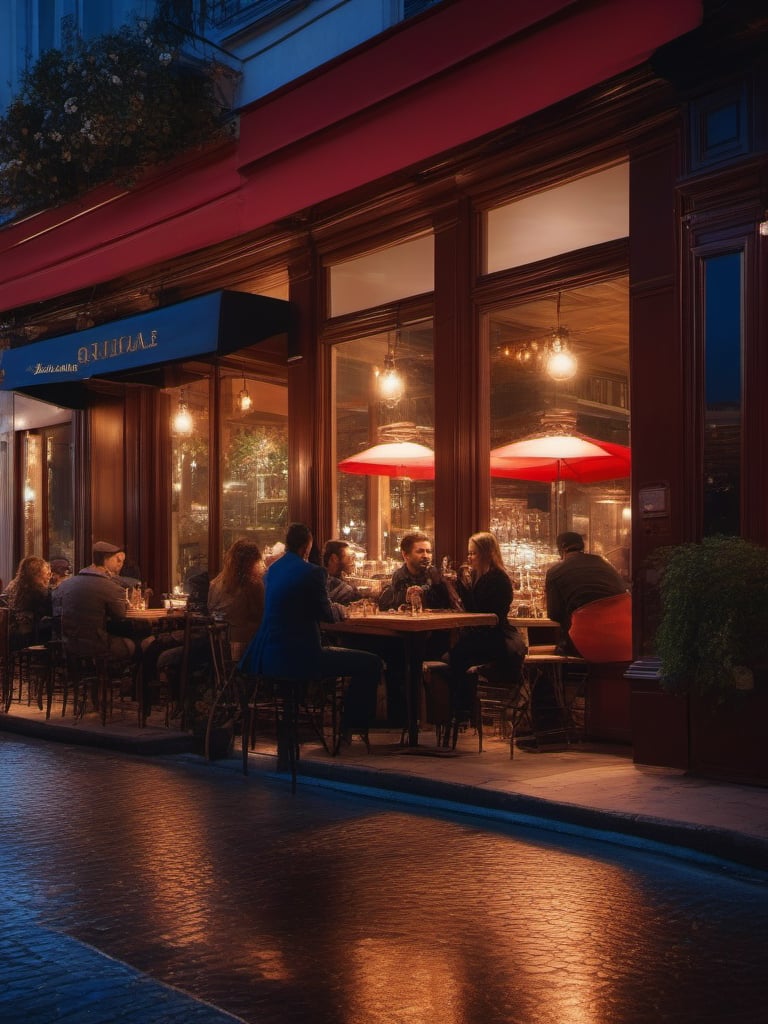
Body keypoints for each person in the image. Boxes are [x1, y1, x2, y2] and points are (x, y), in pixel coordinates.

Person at [240, 523, 382, 743]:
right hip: (300, 658)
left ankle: (338, 731)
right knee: (371, 663)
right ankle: (351, 728)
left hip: (264, 657)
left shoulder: (272, 571)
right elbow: (326, 613)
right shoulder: (313, 572)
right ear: (307, 546)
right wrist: (342, 609)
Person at [445, 532, 526, 720]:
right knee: (450, 657)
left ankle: (461, 712)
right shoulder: (479, 577)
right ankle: (461, 711)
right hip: (484, 636)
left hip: (495, 639)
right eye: (469, 553)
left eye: (473, 553)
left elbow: (485, 614)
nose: (469, 558)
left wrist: (459, 588)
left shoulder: (497, 579)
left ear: (487, 553)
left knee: (452, 658)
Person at [545, 531, 628, 655]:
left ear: (561, 548)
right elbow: (623, 591)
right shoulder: (605, 563)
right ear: (582, 546)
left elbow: (554, 613)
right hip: (625, 637)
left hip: (586, 642)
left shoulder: (554, 572)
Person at [55, 542, 136, 663]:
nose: (120, 564)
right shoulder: (111, 587)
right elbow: (121, 615)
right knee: (132, 644)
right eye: (117, 559)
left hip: (68, 645)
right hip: (97, 647)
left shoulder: (66, 585)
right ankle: (124, 680)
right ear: (107, 560)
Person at [207, 538, 266, 662]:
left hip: (217, 647)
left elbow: (212, 612)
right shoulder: (252, 585)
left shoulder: (216, 583)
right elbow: (262, 615)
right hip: (246, 648)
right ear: (253, 562)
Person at [378, 531, 461, 612]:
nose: (425, 556)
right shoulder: (398, 577)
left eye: (428, 551)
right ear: (405, 554)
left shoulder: (435, 575)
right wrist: (406, 595)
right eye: (420, 551)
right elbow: (385, 606)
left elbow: (450, 606)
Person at [1, 555, 54, 650]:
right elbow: (50, 610)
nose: (50, 577)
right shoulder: (39, 591)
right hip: (29, 637)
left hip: (9, 634)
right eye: (48, 574)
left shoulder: (12, 586)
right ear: (38, 574)